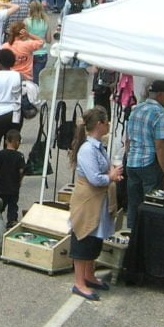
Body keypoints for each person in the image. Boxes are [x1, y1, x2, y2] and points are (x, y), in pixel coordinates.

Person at [68, 106, 123, 301]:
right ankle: (79, 282)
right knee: (84, 238)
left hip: (98, 201)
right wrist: (112, 176)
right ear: (99, 124)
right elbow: (94, 178)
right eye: (106, 122)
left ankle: (89, 276)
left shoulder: (98, 146)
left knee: (94, 239)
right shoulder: (87, 149)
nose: (108, 125)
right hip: (88, 200)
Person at [125, 80, 164, 230]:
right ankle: (146, 237)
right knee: (150, 205)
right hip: (149, 163)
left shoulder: (136, 109)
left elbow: (128, 139)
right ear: (160, 95)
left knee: (133, 204)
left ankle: (130, 235)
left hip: (132, 162)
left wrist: (129, 157)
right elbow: (160, 146)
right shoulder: (161, 114)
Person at [0, 48, 23, 155]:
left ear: (0, 64)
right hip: (15, 113)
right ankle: (9, 165)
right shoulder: (19, 76)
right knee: (11, 144)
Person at [0, 128, 25, 225]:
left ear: (6, 141)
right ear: (17, 142)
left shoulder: (0, 154)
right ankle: (11, 221)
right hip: (13, 187)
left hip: (0, 187)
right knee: (13, 206)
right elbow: (21, 171)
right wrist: (20, 180)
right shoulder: (19, 156)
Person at [24, 0, 53, 85]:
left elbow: (23, 38)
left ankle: (32, 95)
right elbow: (48, 40)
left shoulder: (26, 21)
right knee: (39, 78)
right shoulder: (45, 21)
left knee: (29, 77)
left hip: (30, 52)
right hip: (42, 52)